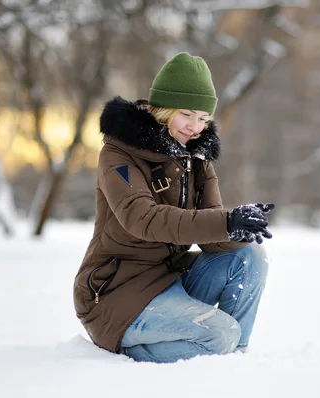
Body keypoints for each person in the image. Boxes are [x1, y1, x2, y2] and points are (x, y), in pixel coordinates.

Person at [72, 52, 274, 363]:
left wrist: (238, 227)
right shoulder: (119, 155)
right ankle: (136, 350)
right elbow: (142, 218)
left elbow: (212, 239)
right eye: (187, 114)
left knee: (249, 257)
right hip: (115, 294)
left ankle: (234, 360)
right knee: (220, 333)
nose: (196, 127)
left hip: (169, 280)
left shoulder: (196, 158)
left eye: (204, 118)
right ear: (163, 109)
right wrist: (224, 222)